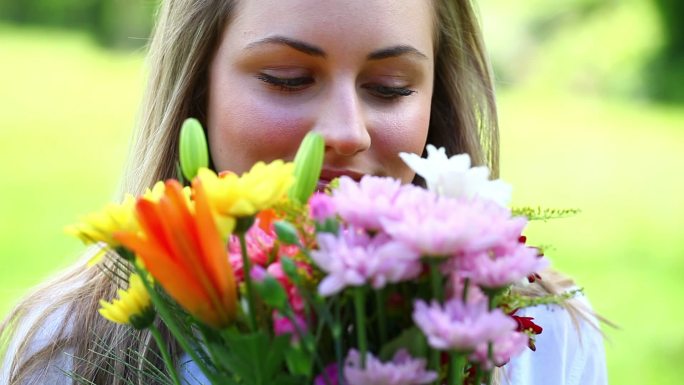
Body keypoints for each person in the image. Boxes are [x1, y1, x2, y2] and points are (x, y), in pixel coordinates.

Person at [0, 0, 608, 384]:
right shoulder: (68, 348)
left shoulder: (542, 334)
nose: (345, 132)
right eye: (287, 79)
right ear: (196, 90)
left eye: (391, 87)